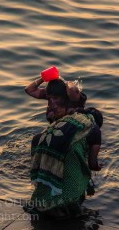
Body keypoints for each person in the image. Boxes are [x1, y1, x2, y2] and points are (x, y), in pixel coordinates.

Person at [27, 82, 103, 219]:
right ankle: (64, 201)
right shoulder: (94, 129)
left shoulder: (74, 114)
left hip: (46, 139)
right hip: (62, 144)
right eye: (50, 98)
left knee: (55, 158)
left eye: (54, 98)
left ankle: (44, 188)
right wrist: (97, 167)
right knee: (73, 169)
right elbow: (92, 164)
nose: (51, 102)